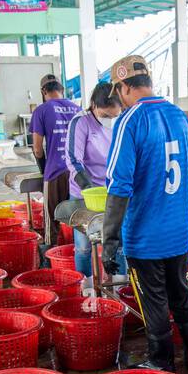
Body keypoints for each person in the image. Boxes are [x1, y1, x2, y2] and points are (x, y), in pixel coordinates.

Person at [102, 55, 188, 374]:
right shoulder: (179, 116)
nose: (120, 98)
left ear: (125, 86)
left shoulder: (130, 120)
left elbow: (119, 186)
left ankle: (162, 363)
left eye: (119, 91)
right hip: (179, 233)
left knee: (154, 300)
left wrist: (109, 239)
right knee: (180, 294)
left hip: (145, 237)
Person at [65, 81, 122, 277]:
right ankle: (85, 285)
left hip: (112, 191)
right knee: (83, 246)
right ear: (94, 106)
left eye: (114, 116)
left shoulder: (121, 122)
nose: (110, 120)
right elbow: (73, 159)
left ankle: (120, 285)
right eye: (105, 116)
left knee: (118, 242)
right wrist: (88, 188)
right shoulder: (80, 122)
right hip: (84, 193)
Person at [30, 77, 81, 238]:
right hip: (78, 172)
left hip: (55, 172)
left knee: (51, 220)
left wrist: (44, 169)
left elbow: (37, 149)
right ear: (62, 90)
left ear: (44, 92)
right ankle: (75, 251)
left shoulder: (41, 110)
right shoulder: (77, 108)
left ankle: (50, 254)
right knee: (76, 217)